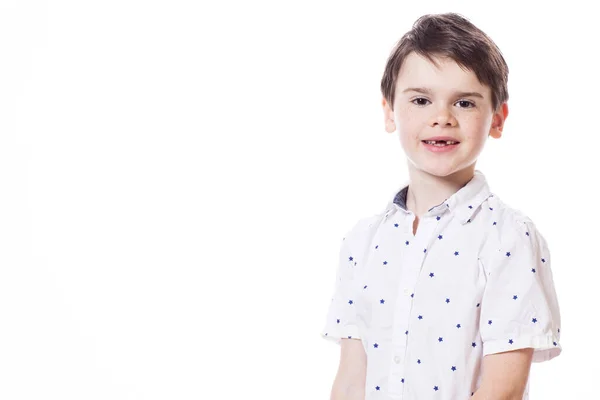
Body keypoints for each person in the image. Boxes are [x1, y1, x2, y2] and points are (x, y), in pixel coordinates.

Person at [320, 12, 562, 400]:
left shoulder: (508, 238)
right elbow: (351, 380)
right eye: (420, 99)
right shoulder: (362, 242)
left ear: (497, 120)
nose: (442, 118)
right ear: (389, 112)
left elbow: (503, 388)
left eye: (464, 103)